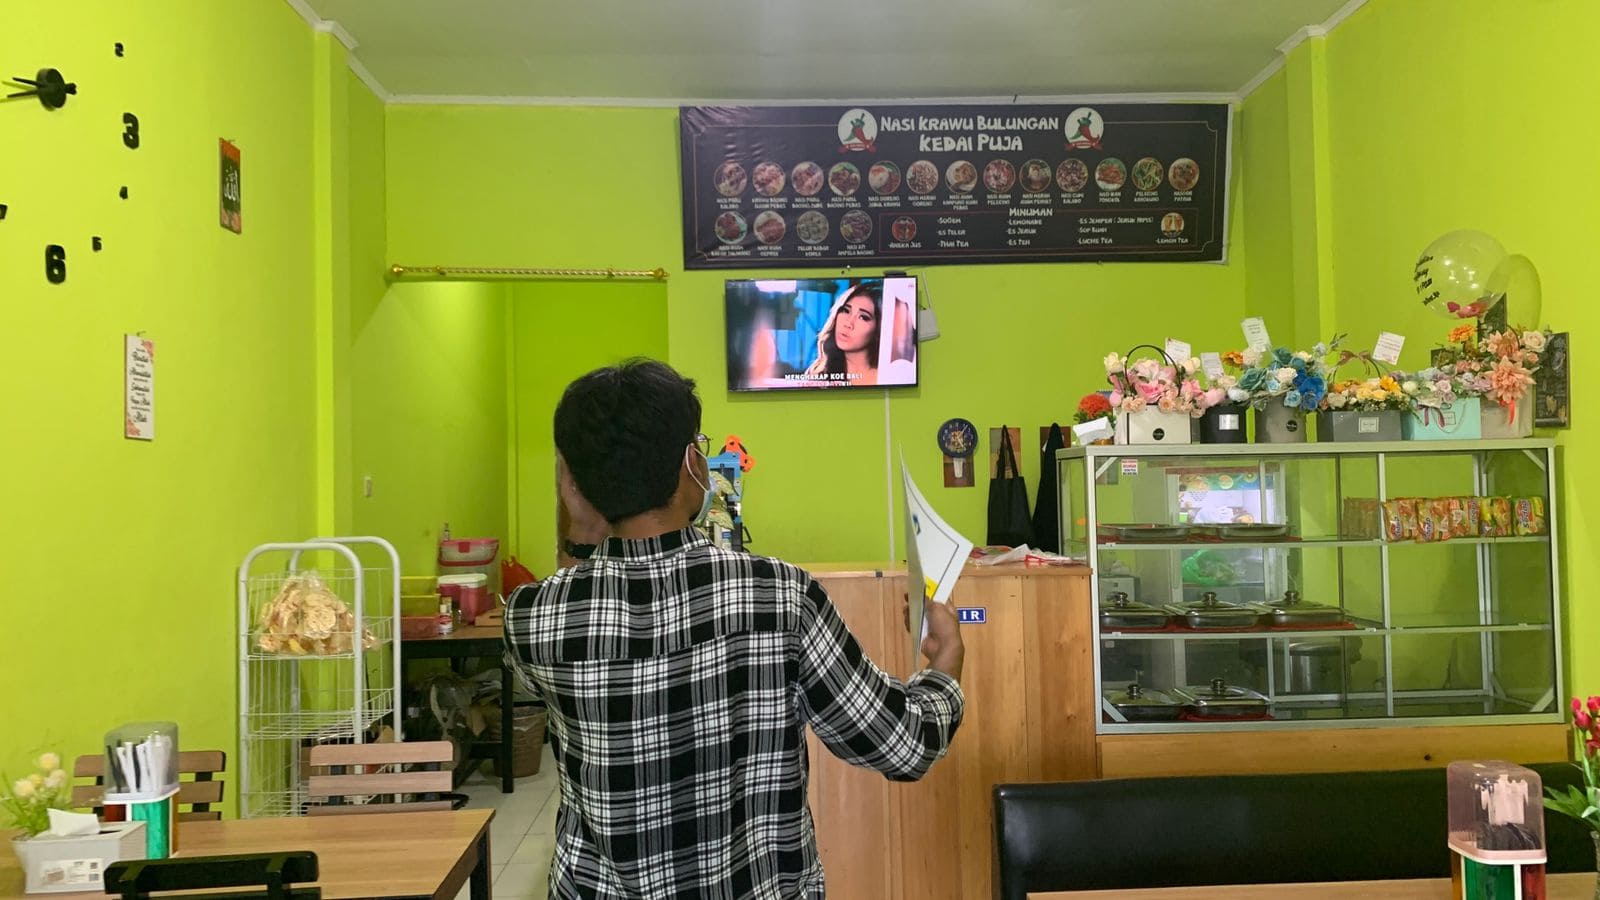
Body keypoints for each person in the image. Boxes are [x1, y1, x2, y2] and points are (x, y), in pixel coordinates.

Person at [504, 359, 965, 899]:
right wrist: (945, 665)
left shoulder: (532, 617)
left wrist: (580, 532)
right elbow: (904, 745)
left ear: (574, 485)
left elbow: (566, 625)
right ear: (691, 464)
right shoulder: (782, 596)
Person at [803, 282, 883, 385]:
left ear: (879, 329)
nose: (848, 323)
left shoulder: (889, 378)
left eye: (863, 317)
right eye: (846, 310)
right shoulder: (818, 374)